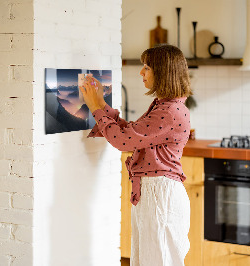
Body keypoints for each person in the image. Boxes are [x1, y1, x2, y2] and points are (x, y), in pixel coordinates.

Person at [80, 44, 192, 266]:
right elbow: (131, 133)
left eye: (147, 67)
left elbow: (123, 141)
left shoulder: (169, 111)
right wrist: (101, 103)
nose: (141, 72)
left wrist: (95, 107)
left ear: (163, 72)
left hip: (160, 195)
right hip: (155, 193)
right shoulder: (165, 106)